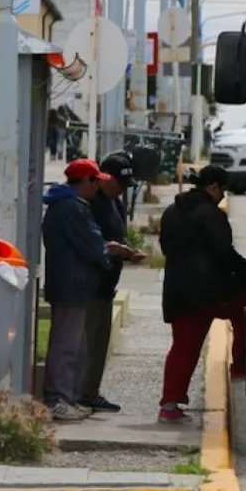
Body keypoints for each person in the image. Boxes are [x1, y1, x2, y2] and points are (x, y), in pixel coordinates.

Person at [42, 159, 134, 423]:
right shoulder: (72, 208)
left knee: (76, 345)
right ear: (84, 181)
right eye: (94, 180)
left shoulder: (70, 206)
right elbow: (92, 245)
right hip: (72, 285)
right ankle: (58, 399)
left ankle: (67, 398)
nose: (97, 186)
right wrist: (114, 249)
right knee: (66, 345)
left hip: (74, 285)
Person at [158, 165, 246, 423]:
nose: (223, 197)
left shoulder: (172, 212)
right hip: (213, 292)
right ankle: (240, 369)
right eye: (223, 191)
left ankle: (169, 405)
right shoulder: (211, 215)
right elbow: (224, 255)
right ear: (213, 187)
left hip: (178, 293)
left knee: (183, 348)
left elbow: (166, 247)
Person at [79, 153, 145, 413]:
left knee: (99, 343)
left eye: (123, 186)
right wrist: (115, 250)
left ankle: (90, 392)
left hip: (107, 284)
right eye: (116, 183)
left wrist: (129, 249)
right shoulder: (90, 203)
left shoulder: (115, 203)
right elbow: (91, 243)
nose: (119, 189)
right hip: (90, 283)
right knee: (86, 342)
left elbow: (120, 235)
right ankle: (80, 392)